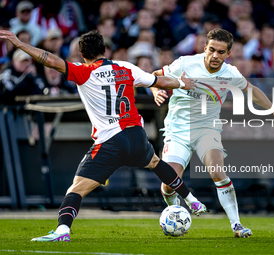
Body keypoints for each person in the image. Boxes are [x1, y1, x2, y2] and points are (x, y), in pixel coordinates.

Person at [0, 29, 208, 242]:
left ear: (82, 55)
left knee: (77, 188)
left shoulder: (83, 71)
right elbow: (160, 82)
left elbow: (50, 60)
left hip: (111, 141)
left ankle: (62, 231)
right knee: (155, 162)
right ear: (104, 50)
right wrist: (183, 83)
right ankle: (191, 199)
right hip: (136, 136)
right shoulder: (125, 67)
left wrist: (20, 44)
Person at [150, 28, 274, 238]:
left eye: (221, 52)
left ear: (228, 54)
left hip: (207, 129)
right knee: (169, 183)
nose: (216, 56)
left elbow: (251, 90)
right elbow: (154, 76)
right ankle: (175, 210)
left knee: (218, 172)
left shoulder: (230, 74)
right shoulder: (185, 64)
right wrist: (156, 92)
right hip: (178, 130)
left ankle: (237, 225)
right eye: (212, 50)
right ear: (205, 48)